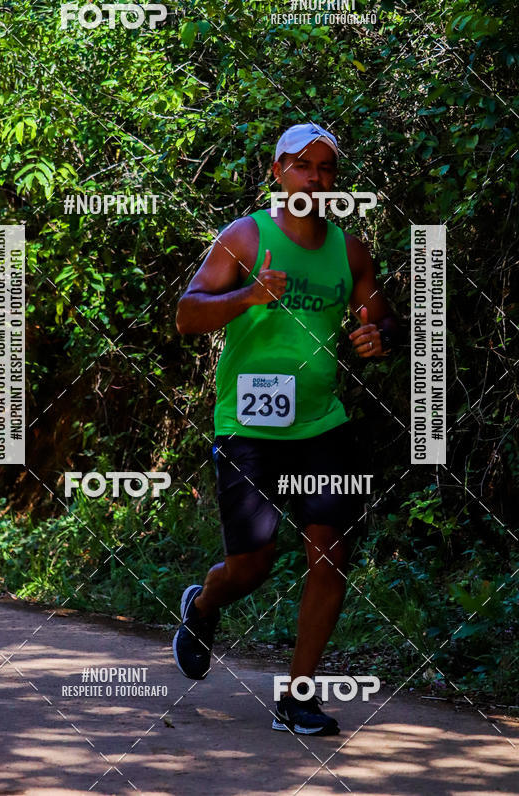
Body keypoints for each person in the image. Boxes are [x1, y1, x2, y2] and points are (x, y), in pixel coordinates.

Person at [172, 122, 400, 736]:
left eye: (327, 169)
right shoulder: (245, 237)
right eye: (304, 166)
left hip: (322, 426)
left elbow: (377, 317)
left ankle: (298, 697)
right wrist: (247, 296)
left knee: (331, 553)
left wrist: (376, 335)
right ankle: (203, 605)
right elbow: (187, 315)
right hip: (247, 426)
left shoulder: (349, 251)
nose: (317, 179)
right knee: (252, 566)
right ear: (278, 172)